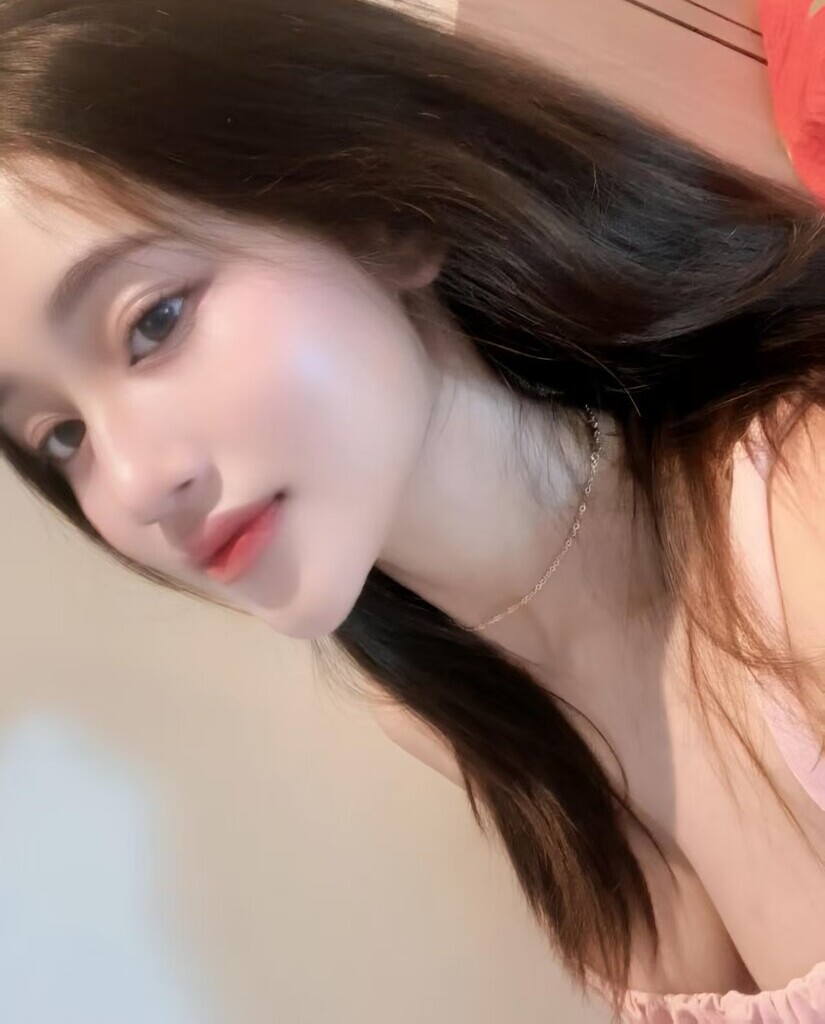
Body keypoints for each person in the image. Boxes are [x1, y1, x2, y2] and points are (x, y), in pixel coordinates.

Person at [0, 1, 823, 1020]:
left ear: (377, 219)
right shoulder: (446, 715)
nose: (130, 485)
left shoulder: (802, 509)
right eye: (60, 436)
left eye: (152, 321)